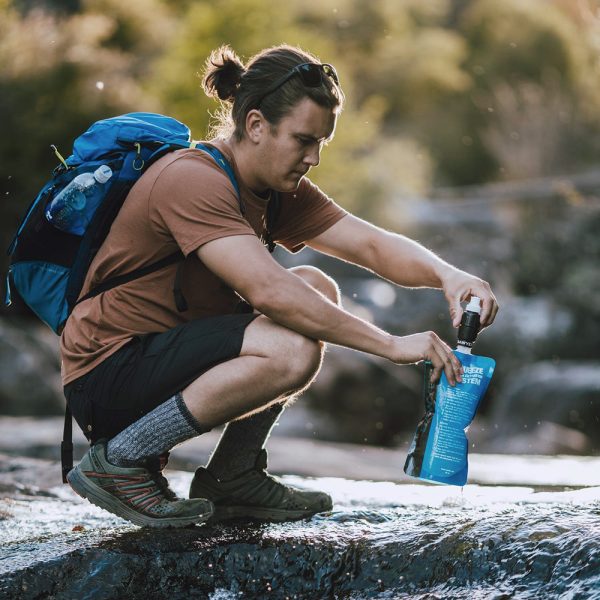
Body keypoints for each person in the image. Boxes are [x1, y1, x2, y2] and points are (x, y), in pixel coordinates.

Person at [63, 44, 499, 528]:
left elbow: (371, 246)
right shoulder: (191, 180)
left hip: (160, 355)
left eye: (321, 143)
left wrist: (448, 276)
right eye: (303, 140)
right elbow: (269, 292)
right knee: (291, 350)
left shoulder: (272, 189)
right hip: (108, 371)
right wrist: (391, 345)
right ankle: (120, 461)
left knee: (316, 285)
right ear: (255, 125)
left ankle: (233, 476)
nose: (313, 158)